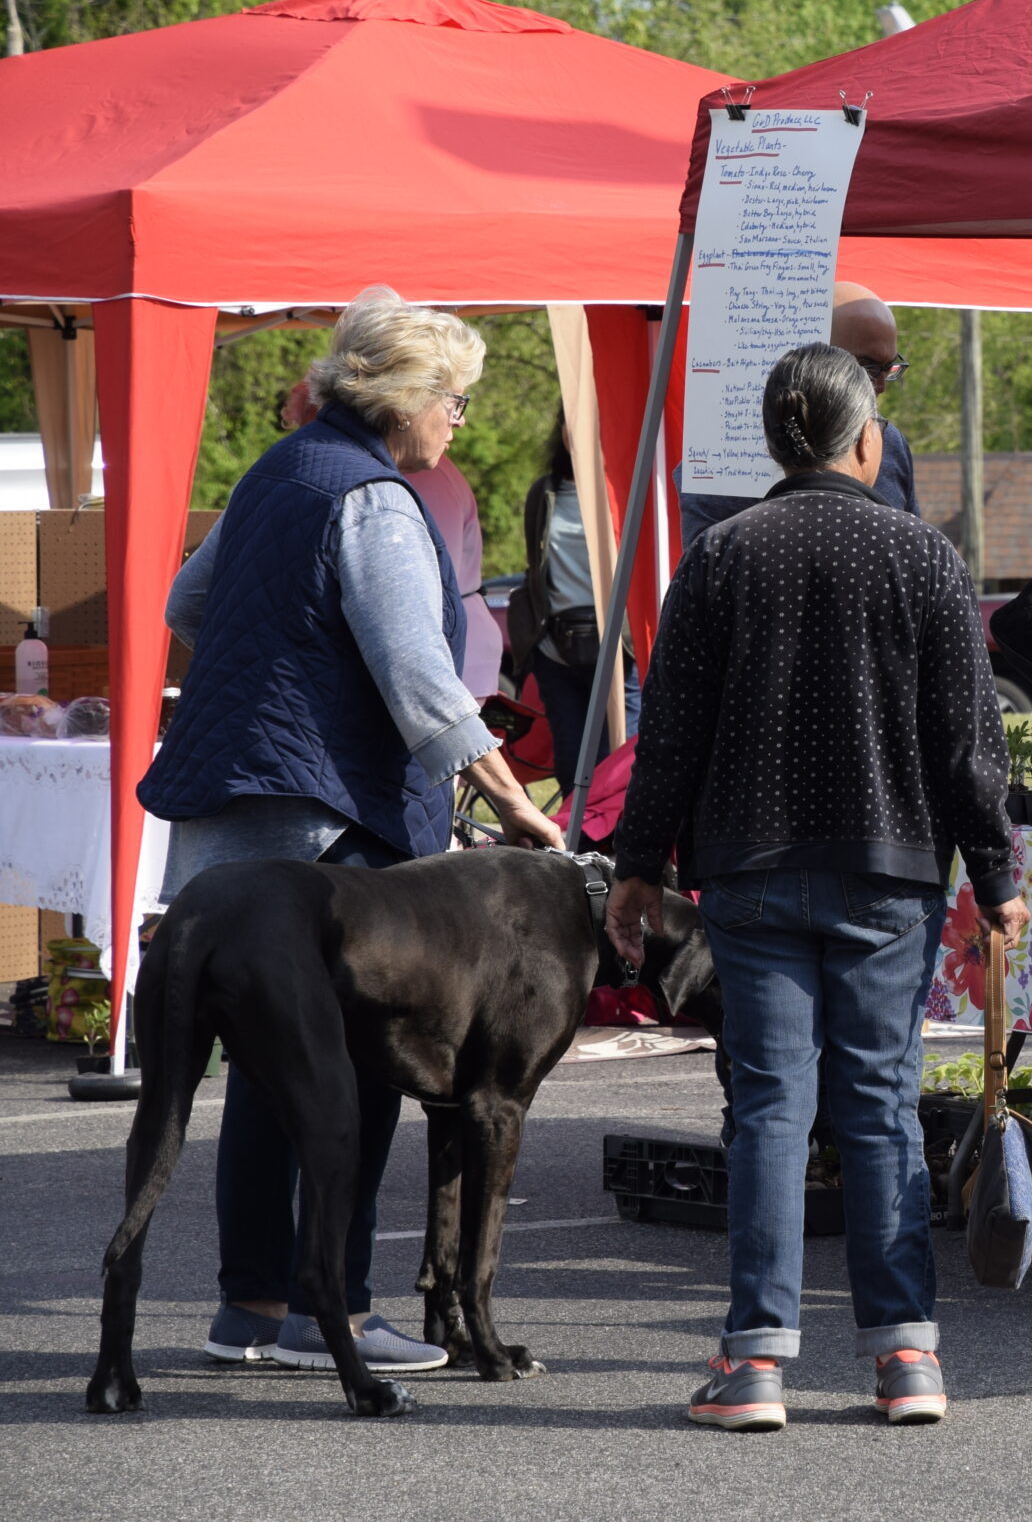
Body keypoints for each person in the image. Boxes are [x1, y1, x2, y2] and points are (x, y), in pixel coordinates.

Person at [606, 343, 1026, 1433]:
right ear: (865, 439)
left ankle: (753, 1366)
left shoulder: (721, 555)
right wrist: (998, 875)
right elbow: (967, 742)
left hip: (747, 870)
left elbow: (671, 738)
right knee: (881, 1108)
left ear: (773, 444)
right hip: (888, 874)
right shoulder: (923, 557)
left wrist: (636, 867)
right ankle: (905, 1360)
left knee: (768, 1113)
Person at [143, 288, 563, 1376]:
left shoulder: (273, 473)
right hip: (330, 826)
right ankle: (336, 1311)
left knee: (264, 1071)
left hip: (231, 817)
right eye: (456, 401)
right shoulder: (374, 498)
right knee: (363, 1067)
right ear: (405, 398)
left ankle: (252, 1309)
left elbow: (189, 608)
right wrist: (516, 804)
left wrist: (282, 665)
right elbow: (420, 680)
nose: (460, 421)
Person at [287, 377, 501, 697]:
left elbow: (427, 583)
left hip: (449, 652)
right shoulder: (391, 469)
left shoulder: (425, 473)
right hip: (435, 649)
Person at [679, 282, 918, 547]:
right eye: (868, 368)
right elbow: (704, 571)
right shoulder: (722, 460)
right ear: (810, 356)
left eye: (889, 367)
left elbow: (914, 553)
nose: (881, 387)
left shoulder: (890, 443)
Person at [519, 420, 644, 776]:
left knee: (621, 770)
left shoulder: (626, 491)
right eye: (570, 419)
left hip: (620, 653)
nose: (580, 429)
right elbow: (536, 571)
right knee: (572, 769)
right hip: (556, 655)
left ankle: (619, 835)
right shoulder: (544, 493)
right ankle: (575, 835)